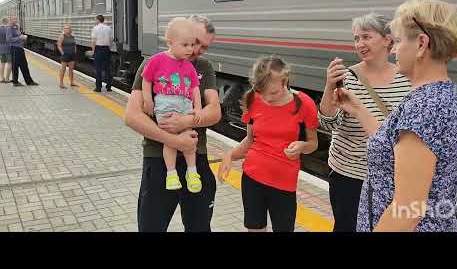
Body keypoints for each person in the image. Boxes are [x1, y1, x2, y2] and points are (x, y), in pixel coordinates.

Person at [335, 0, 457, 232]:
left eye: (397, 41)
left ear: (421, 44)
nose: (394, 50)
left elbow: (408, 211)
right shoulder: (445, 93)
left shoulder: (425, 108)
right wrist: (357, 109)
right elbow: (394, 145)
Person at [125, 14, 221, 232]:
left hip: (196, 160)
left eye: (203, 47)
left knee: (199, 228)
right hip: (158, 158)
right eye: (194, 42)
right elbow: (132, 116)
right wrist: (175, 139)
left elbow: (214, 112)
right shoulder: (153, 63)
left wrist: (186, 121)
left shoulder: (203, 67)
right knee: (151, 227)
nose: (196, 50)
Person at [318, 12, 411, 232]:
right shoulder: (348, 77)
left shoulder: (407, 78)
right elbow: (328, 123)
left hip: (391, 174)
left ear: (387, 40)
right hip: (349, 175)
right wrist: (330, 86)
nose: (360, 44)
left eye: (366, 37)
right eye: (356, 39)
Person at [218, 55, 319, 232]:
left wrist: (302, 146)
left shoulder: (303, 104)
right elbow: (250, 140)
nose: (267, 98)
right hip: (252, 178)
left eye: (273, 93)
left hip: (284, 183)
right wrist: (229, 155)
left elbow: (313, 143)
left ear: (285, 80)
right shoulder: (252, 99)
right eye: (262, 92)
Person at [141, 18, 203, 193]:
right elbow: (146, 80)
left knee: (189, 138)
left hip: (186, 104)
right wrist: (148, 99)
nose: (190, 49)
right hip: (166, 104)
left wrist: (197, 108)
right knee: (171, 138)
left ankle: (192, 172)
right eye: (185, 45)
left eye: (192, 44)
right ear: (170, 42)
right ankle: (171, 173)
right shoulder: (156, 60)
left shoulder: (189, 66)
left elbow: (195, 88)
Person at [6, 16, 38, 86]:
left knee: (24, 65)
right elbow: (9, 39)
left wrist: (23, 37)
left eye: (16, 19)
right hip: (14, 48)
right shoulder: (9, 28)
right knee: (15, 66)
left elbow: (19, 36)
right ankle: (15, 82)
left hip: (20, 48)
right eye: (13, 19)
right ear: (10, 20)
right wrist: (19, 38)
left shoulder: (16, 27)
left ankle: (29, 81)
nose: (15, 20)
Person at [91, 14, 113, 92]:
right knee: (107, 68)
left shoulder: (95, 28)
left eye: (95, 20)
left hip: (98, 49)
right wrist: (109, 48)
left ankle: (98, 87)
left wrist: (93, 51)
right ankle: (109, 87)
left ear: (97, 20)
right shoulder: (108, 28)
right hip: (106, 49)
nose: (95, 21)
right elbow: (110, 40)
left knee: (98, 69)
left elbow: (93, 41)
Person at [57, 25, 79, 89]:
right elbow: (59, 45)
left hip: (72, 55)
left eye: (69, 29)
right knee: (63, 69)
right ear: (64, 30)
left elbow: (74, 45)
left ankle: (72, 82)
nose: (68, 30)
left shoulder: (72, 37)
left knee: (71, 69)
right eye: (66, 29)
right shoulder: (62, 36)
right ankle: (61, 83)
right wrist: (62, 53)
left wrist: (75, 51)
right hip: (65, 55)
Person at [0, 16, 12, 83]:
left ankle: (1, 78)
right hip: (8, 47)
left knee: (2, 63)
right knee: (9, 63)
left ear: (1, 21)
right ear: (7, 21)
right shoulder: (8, 28)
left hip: (1, 48)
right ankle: (7, 78)